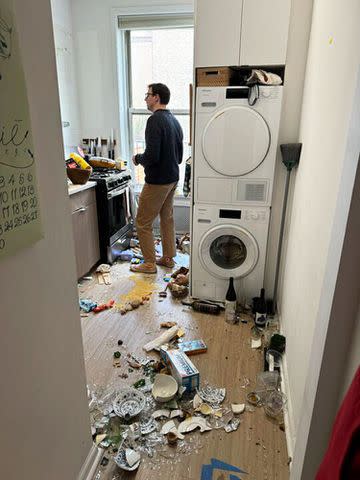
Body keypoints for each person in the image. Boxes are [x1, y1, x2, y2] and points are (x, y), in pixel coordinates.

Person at [130, 83, 183, 274]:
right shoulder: (174, 120)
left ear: (157, 97)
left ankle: (149, 263)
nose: (145, 98)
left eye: (148, 95)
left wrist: (138, 159)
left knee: (143, 222)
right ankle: (168, 258)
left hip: (158, 181)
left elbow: (152, 156)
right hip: (172, 178)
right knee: (166, 218)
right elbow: (179, 156)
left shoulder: (154, 121)